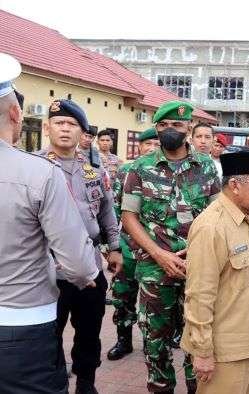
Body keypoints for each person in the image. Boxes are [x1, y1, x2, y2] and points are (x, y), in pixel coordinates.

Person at [0, 53, 99, 394]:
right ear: (16, 113)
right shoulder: (39, 172)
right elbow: (78, 262)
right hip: (21, 329)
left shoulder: (90, 170)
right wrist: (86, 273)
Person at [121, 100, 221, 394]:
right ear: (156, 129)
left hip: (199, 267)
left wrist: (200, 254)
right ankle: (161, 387)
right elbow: (129, 217)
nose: (170, 131)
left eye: (176, 125)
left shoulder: (205, 166)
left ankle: (196, 388)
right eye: (163, 126)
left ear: (189, 127)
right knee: (155, 340)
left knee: (199, 337)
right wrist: (160, 254)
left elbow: (217, 214)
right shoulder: (140, 167)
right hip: (155, 268)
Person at [37, 99, 122, 394]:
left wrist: (114, 247)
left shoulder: (94, 172)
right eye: (59, 123)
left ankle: (86, 381)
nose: (65, 129)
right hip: (47, 269)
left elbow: (107, 211)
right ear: (48, 128)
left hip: (89, 265)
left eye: (71, 124)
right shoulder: (33, 167)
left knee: (89, 331)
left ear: (82, 133)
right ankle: (57, 380)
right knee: (50, 333)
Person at [181, 149, 249, 394]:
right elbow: (199, 295)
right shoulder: (211, 226)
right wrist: (202, 352)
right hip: (226, 353)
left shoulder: (247, 218)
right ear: (234, 184)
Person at [106, 128, 160, 361]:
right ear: (140, 147)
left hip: (156, 249)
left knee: (155, 303)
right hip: (128, 248)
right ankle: (123, 339)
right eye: (147, 144)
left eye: (156, 144)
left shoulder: (166, 172)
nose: (152, 148)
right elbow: (113, 211)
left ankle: (155, 344)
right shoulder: (126, 171)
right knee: (123, 296)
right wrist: (112, 247)